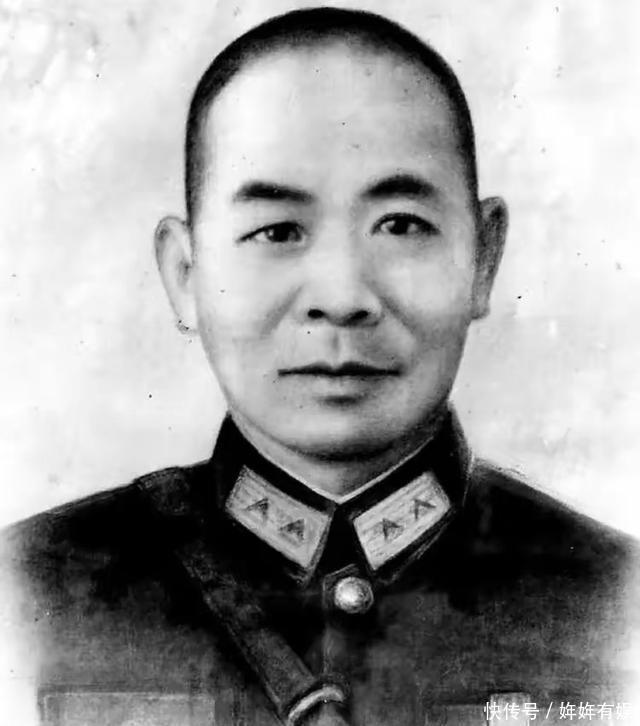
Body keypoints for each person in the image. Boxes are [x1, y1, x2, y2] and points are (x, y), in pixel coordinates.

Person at [2, 7, 637, 726]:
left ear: (483, 260)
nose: (341, 297)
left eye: (401, 225)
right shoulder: (29, 597)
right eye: (277, 231)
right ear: (185, 273)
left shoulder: (616, 606)